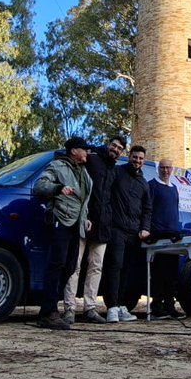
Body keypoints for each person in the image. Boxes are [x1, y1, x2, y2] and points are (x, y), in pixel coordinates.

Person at [61, 135, 124, 325]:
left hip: (104, 224)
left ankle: (90, 308)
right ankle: (69, 308)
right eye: (113, 145)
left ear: (121, 152)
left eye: (119, 148)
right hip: (84, 219)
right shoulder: (92, 159)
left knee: (96, 267)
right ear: (108, 145)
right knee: (75, 264)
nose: (115, 149)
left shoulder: (115, 170)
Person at [32, 137, 93, 330]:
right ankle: (47, 313)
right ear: (74, 150)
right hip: (61, 220)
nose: (87, 153)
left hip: (77, 225)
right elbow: (39, 186)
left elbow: (83, 201)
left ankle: (52, 309)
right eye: (84, 149)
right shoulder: (57, 166)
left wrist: (86, 218)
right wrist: (58, 188)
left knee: (69, 267)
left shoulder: (83, 172)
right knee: (56, 264)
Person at [101, 145, 151, 323]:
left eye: (140, 158)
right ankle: (112, 307)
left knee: (127, 270)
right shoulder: (117, 172)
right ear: (129, 157)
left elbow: (147, 209)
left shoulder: (144, 183)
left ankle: (122, 305)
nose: (137, 161)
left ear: (143, 161)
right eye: (135, 157)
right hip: (116, 228)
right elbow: (105, 194)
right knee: (115, 266)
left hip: (134, 233)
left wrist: (145, 227)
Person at [147, 157, 184, 319]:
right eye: (162, 167)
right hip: (158, 238)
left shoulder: (174, 188)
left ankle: (170, 306)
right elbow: (147, 209)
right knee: (159, 274)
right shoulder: (152, 186)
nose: (165, 170)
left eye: (168, 167)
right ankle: (156, 306)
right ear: (158, 169)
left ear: (172, 169)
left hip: (173, 238)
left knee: (172, 274)